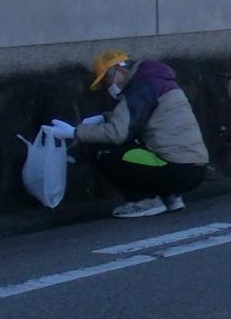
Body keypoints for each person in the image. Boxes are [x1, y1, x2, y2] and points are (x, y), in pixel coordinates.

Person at [53, 51, 209, 219]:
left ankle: (145, 201)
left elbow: (117, 133)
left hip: (176, 169)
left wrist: (74, 132)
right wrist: (106, 117)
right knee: (136, 148)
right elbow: (140, 123)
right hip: (193, 167)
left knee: (104, 152)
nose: (108, 88)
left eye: (107, 81)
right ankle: (170, 196)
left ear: (119, 71)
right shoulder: (156, 82)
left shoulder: (141, 88)